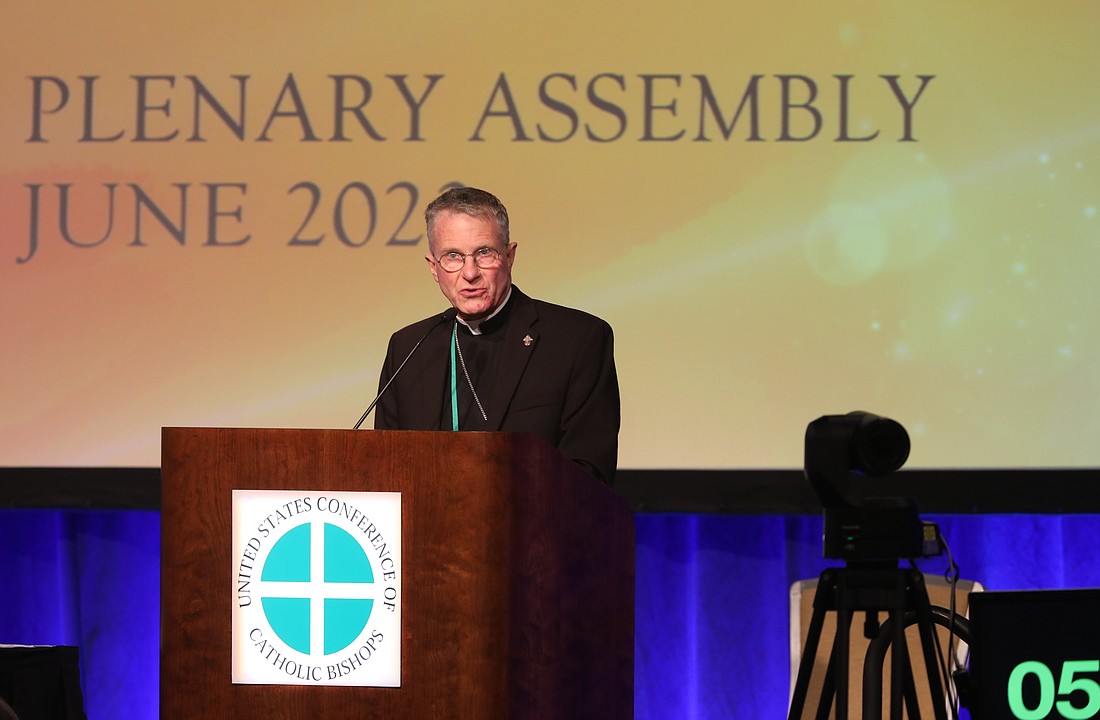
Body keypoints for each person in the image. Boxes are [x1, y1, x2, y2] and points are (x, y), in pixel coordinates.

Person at [373, 186, 620, 485]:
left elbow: (590, 473)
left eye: (484, 253)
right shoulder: (409, 349)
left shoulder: (577, 340)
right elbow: (384, 472)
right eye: (452, 256)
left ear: (510, 255)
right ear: (434, 268)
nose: (470, 273)